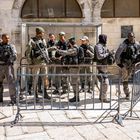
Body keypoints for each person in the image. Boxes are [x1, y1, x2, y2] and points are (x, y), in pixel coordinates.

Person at [27, 27, 52, 101]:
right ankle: (35, 94)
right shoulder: (32, 41)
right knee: (35, 79)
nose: (43, 34)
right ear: (39, 33)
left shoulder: (43, 40)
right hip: (35, 63)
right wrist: (30, 63)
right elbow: (28, 52)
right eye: (42, 33)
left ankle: (45, 93)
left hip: (43, 62)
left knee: (45, 78)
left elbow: (45, 50)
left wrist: (47, 58)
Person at [115, 32, 140, 100]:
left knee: (137, 78)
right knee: (125, 79)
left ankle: (136, 94)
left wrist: (137, 61)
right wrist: (120, 65)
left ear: (134, 37)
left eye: (131, 36)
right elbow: (117, 55)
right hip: (125, 64)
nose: (130, 38)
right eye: (129, 36)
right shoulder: (123, 44)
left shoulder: (137, 44)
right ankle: (127, 94)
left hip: (133, 64)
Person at [56, 37, 81, 102]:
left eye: (69, 43)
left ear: (70, 43)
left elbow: (66, 52)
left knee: (74, 82)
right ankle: (76, 97)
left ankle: (76, 97)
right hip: (73, 67)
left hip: (74, 68)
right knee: (74, 82)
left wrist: (57, 50)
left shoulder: (74, 49)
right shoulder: (74, 48)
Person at [0, 33, 17, 105]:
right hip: (0, 66)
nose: (8, 39)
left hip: (8, 66)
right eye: (6, 38)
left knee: (11, 83)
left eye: (8, 38)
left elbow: (14, 55)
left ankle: (13, 100)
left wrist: (10, 60)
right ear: (2, 38)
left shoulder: (11, 46)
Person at [94, 34, 110, 103]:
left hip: (104, 66)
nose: (106, 40)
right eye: (105, 38)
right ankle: (104, 98)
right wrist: (108, 54)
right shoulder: (98, 46)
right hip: (101, 66)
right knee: (105, 83)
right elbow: (100, 56)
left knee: (103, 83)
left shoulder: (102, 45)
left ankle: (102, 97)